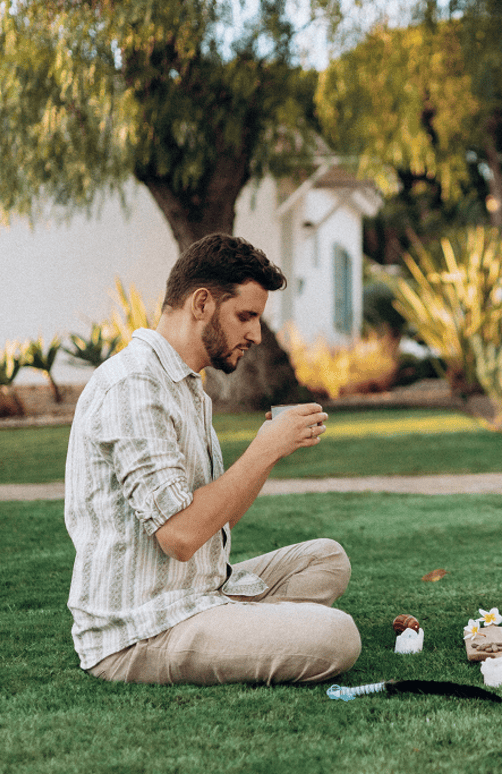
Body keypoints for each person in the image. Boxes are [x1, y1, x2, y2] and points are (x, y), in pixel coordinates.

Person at [64, 232, 361, 685]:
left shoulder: (186, 386)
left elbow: (215, 524)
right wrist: (263, 448)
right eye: (246, 316)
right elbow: (181, 536)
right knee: (338, 637)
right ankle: (252, 632)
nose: (256, 335)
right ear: (201, 304)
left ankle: (243, 629)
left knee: (326, 559)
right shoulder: (135, 387)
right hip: (142, 628)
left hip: (199, 592)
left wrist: (270, 452)